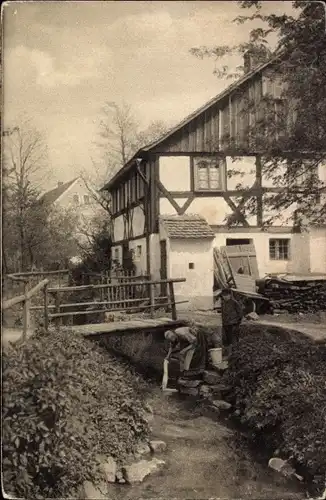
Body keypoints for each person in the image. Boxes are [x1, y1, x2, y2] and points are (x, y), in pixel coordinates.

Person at [221, 288, 244, 358]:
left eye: (226, 295)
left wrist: (237, 324)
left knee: (233, 339)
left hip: (233, 324)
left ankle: (235, 354)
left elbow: (240, 314)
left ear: (229, 295)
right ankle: (229, 354)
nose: (225, 297)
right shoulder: (223, 303)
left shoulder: (234, 303)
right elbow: (223, 314)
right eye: (223, 295)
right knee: (227, 340)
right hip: (225, 324)